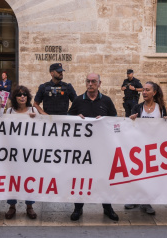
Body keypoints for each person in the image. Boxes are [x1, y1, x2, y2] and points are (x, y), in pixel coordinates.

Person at [68, 73, 119, 222]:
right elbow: (68, 118)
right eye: (88, 81)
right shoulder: (78, 100)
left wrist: (104, 120)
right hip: (82, 149)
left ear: (99, 83)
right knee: (80, 179)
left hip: (102, 149)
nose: (90, 84)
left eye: (93, 81)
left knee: (104, 179)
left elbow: (114, 120)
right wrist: (77, 118)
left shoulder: (107, 101)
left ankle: (107, 207)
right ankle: (78, 208)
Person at [125, 81, 167, 215]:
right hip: (139, 147)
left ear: (154, 93)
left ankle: (146, 202)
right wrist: (131, 120)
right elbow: (130, 126)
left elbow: (165, 127)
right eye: (143, 90)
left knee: (150, 176)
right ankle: (135, 198)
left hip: (155, 147)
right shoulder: (137, 107)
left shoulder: (160, 108)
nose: (144, 92)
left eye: (147, 90)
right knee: (137, 174)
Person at [4, 85, 39, 220]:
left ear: (28, 97)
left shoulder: (33, 110)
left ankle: (29, 206)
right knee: (12, 180)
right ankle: (12, 206)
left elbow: (44, 127)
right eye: (19, 95)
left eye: (24, 94)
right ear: (15, 98)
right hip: (13, 153)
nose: (22, 97)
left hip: (29, 153)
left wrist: (36, 118)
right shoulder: (10, 112)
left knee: (29, 179)